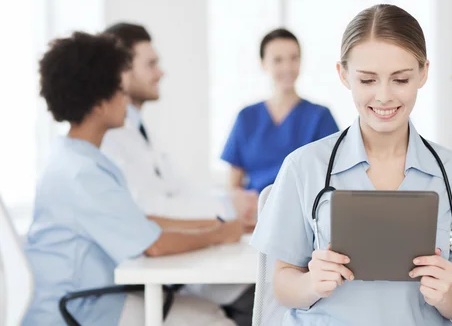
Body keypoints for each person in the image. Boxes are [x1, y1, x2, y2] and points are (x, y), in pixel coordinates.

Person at [250, 4, 452, 325]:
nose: (383, 96)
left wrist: (446, 294)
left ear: (423, 73)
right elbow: (283, 286)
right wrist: (311, 283)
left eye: (400, 79)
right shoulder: (304, 167)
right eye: (368, 80)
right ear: (343, 75)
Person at [23, 32, 242, 326]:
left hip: (86, 297)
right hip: (81, 308)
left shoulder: (77, 159)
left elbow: (140, 221)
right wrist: (217, 235)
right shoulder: (82, 173)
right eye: (119, 90)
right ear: (99, 103)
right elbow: (155, 245)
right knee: (214, 318)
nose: (126, 99)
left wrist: (215, 225)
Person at [101, 23, 254, 325]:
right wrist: (225, 213)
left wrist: (226, 206)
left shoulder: (141, 131)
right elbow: (148, 209)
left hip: (170, 265)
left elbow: (178, 189)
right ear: (123, 71)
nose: (161, 73)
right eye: (151, 64)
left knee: (258, 291)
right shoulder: (112, 138)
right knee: (254, 301)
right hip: (141, 278)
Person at [221, 28, 339, 225]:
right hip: (255, 220)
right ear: (263, 64)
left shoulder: (320, 117)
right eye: (278, 60)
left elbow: (334, 178)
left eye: (294, 58)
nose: (288, 67)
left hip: (304, 218)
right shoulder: (247, 117)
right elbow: (233, 186)